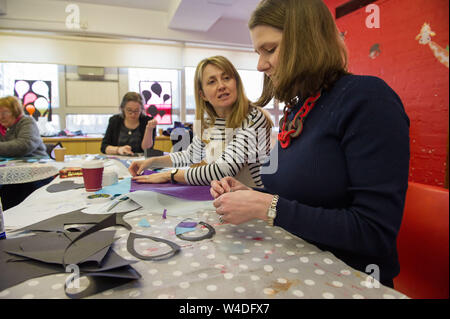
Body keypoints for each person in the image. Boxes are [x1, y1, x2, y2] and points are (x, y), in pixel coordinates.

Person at [210, 0, 410, 288]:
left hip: (352, 281)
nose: (260, 64)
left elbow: (374, 232)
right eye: (258, 52)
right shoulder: (300, 108)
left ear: (307, 41)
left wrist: (267, 206)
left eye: (270, 49)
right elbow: (298, 195)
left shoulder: (368, 100)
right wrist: (248, 194)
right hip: (298, 266)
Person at [129, 56, 273, 187]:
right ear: (202, 95)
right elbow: (191, 155)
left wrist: (170, 175)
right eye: (212, 81)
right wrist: (152, 162)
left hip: (254, 198)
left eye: (227, 78)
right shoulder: (208, 124)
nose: (221, 85)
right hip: (225, 196)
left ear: (236, 83)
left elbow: (223, 170)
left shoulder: (254, 119)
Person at [101, 92, 157, 156]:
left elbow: (147, 149)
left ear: (142, 109)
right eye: (129, 110)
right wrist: (118, 150)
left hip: (140, 160)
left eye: (136, 110)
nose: (133, 114)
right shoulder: (115, 120)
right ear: (122, 108)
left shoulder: (148, 121)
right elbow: (104, 147)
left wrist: (149, 129)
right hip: (117, 159)